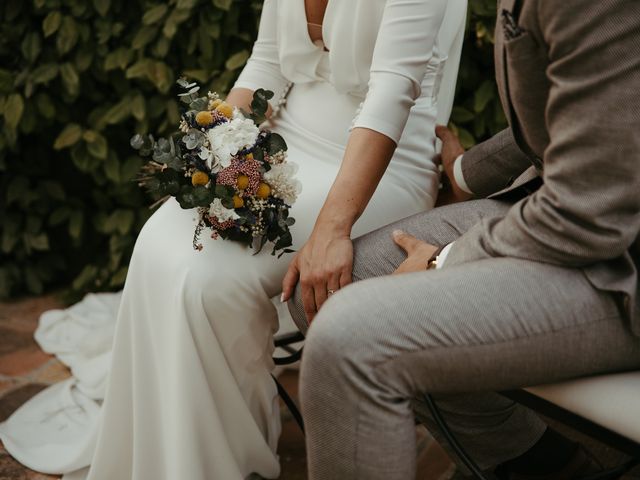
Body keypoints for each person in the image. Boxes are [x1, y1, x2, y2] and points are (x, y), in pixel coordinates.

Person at [0, 1, 466, 479]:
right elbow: (266, 61)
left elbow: (392, 91)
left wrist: (332, 228)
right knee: (157, 242)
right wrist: (211, 154)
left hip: (374, 169)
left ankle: (230, 465)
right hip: (282, 145)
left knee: (207, 279)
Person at [289, 0, 640, 478]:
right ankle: (539, 461)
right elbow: (588, 107)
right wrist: (464, 172)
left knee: (350, 339)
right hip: (572, 206)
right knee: (326, 290)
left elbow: (589, 211)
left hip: (619, 255)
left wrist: (444, 262)